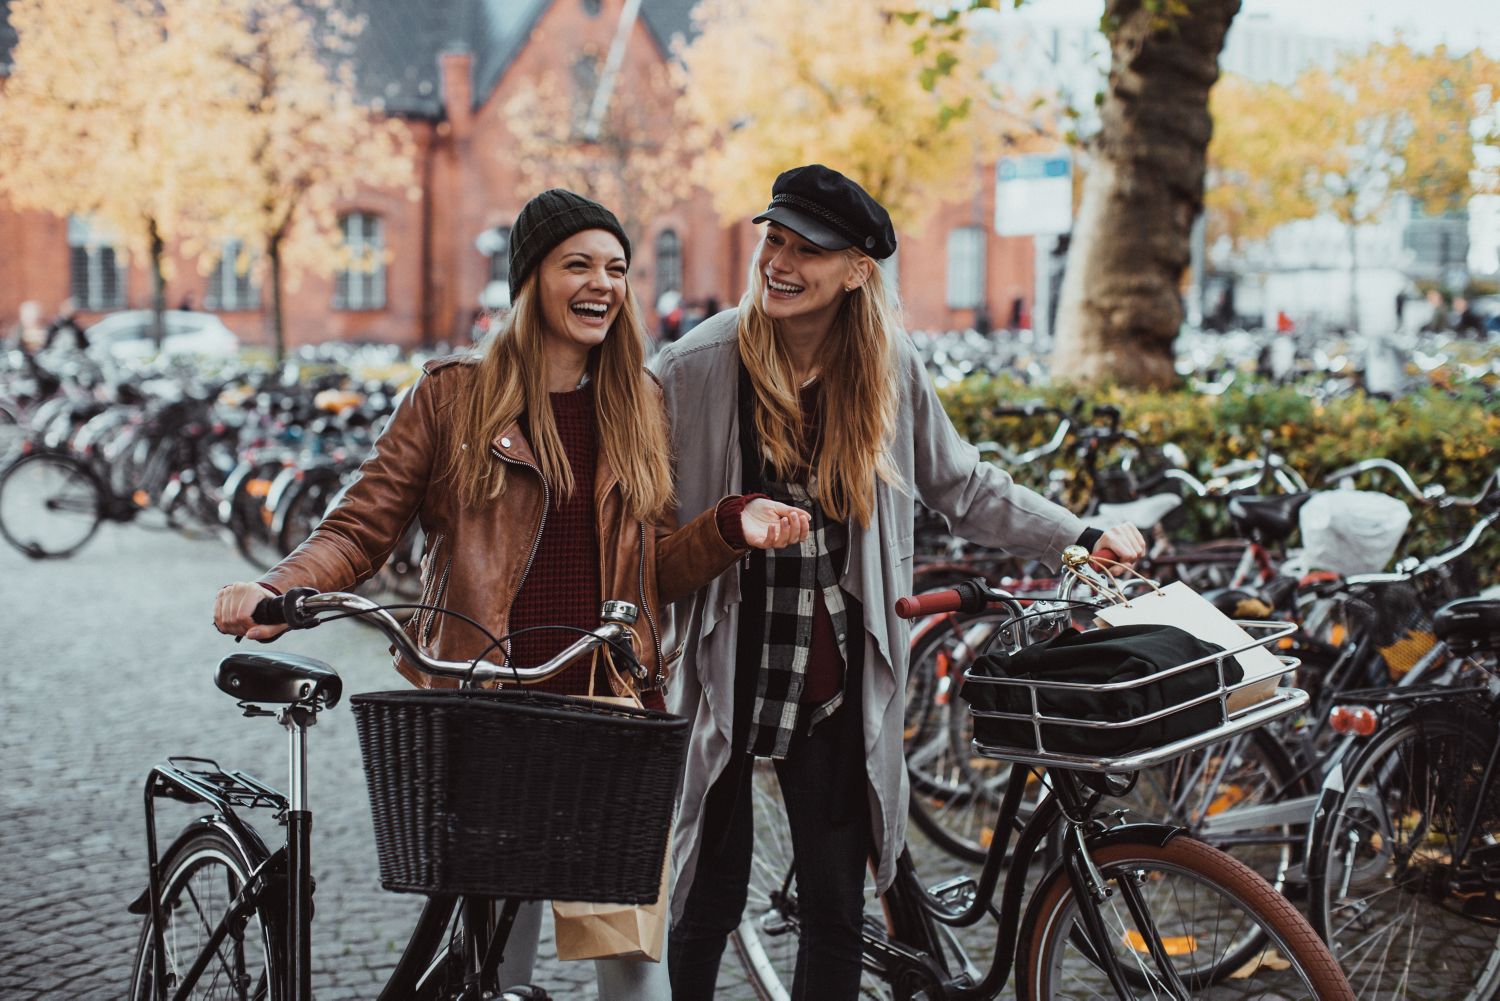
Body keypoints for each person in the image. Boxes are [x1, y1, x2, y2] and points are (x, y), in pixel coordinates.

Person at [213, 188, 811, 999]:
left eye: (617, 268)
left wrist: (729, 526)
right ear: (529, 279)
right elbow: (360, 527)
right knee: (497, 968)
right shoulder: (452, 396)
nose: (602, 283)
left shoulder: (639, 403)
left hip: (606, 712)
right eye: (578, 264)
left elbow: (650, 575)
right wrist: (280, 586)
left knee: (637, 968)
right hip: (488, 707)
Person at [653, 164, 1145, 1000]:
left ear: (856, 270)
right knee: (706, 895)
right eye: (773, 239)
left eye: (807, 249)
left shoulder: (885, 367)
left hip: (839, 680)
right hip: (730, 675)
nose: (779, 261)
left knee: (840, 909)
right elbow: (645, 525)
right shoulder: (695, 367)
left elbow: (966, 486)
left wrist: (1082, 534)